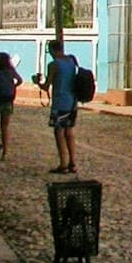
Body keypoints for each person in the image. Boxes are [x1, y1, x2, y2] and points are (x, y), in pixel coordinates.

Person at [42, 40, 79, 174]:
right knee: (69, 132)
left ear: (52, 50)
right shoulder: (71, 61)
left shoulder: (53, 65)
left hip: (60, 103)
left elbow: (47, 85)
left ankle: (63, 163)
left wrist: (37, 82)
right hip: (72, 102)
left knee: (59, 133)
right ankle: (72, 163)